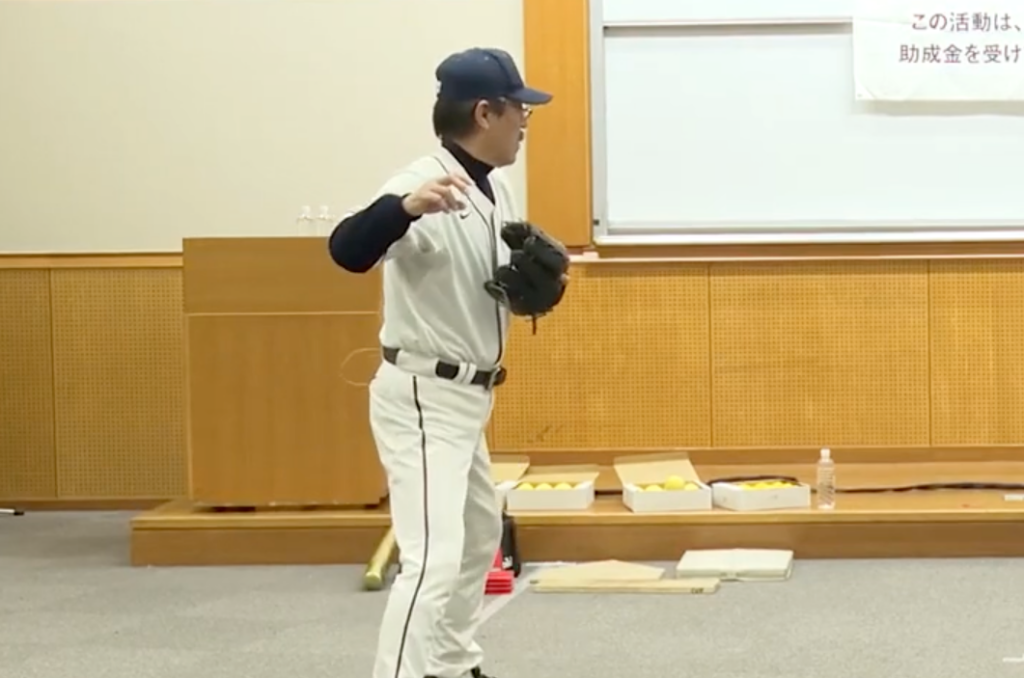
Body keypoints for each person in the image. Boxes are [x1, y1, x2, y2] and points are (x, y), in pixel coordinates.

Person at [327, 47, 555, 678]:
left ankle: (451, 665)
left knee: (479, 538)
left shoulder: (496, 185)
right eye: (518, 109)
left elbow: (490, 281)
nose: (525, 120)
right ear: (484, 113)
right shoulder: (419, 183)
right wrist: (404, 209)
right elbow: (346, 250)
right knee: (432, 559)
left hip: (467, 399)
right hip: (424, 396)